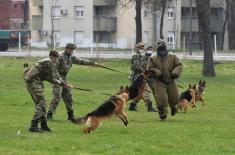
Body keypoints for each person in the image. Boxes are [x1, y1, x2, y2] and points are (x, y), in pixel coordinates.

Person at [24, 50, 72, 132]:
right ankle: (33, 125)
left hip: (34, 82)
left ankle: (44, 125)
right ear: (53, 57)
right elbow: (51, 78)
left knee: (40, 103)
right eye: (56, 58)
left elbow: (55, 75)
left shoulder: (46, 62)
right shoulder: (48, 62)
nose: (56, 61)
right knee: (42, 103)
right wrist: (63, 84)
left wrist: (64, 84)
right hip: (34, 83)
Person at [47, 43, 97, 121]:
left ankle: (70, 115)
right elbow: (54, 69)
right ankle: (49, 115)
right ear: (66, 48)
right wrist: (60, 80)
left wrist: (93, 63)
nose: (72, 51)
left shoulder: (71, 57)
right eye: (71, 49)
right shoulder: (59, 56)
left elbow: (80, 61)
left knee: (68, 96)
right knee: (57, 96)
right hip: (57, 78)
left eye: (73, 49)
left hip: (64, 77)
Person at [147, 39, 183, 121]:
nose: (162, 50)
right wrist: (156, 72)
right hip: (159, 81)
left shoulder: (172, 56)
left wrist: (175, 72)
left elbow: (179, 65)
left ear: (165, 47)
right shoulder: (152, 58)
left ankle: (173, 107)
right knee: (161, 99)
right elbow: (149, 68)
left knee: (175, 98)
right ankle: (162, 114)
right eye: (160, 48)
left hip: (171, 80)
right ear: (157, 48)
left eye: (163, 48)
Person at [128, 42, 156, 112]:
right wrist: (144, 70)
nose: (142, 49)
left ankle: (132, 105)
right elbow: (136, 67)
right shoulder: (136, 56)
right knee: (145, 91)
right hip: (136, 77)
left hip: (140, 77)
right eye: (140, 48)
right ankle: (150, 106)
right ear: (137, 49)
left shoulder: (140, 56)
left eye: (142, 48)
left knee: (140, 93)